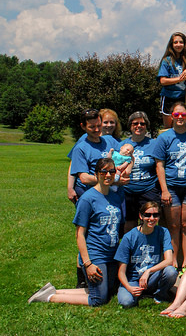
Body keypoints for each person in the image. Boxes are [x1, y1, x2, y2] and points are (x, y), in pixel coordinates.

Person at [29, 158, 125, 306]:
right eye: (103, 172)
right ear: (96, 174)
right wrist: (87, 263)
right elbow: (79, 234)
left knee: (110, 291)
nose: (108, 175)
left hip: (111, 255)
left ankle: (54, 291)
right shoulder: (87, 199)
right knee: (99, 299)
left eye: (111, 171)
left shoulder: (115, 197)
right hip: (95, 255)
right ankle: (49, 297)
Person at [152, 102, 186, 273]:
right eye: (176, 115)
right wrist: (164, 190)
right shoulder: (164, 137)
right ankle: (172, 261)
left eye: (183, 115)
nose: (180, 117)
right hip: (171, 186)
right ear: (171, 117)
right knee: (173, 226)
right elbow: (159, 166)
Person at [115, 201, 177, 307]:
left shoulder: (163, 232)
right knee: (127, 302)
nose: (152, 218)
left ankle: (160, 295)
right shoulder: (129, 237)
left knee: (171, 271)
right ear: (141, 216)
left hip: (152, 277)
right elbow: (121, 272)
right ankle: (137, 293)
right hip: (133, 279)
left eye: (155, 215)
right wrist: (129, 288)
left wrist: (148, 271)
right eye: (147, 215)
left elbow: (169, 260)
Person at [120, 111, 160, 232]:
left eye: (142, 123)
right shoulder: (122, 145)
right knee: (129, 222)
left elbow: (159, 166)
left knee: (149, 222)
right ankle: (131, 243)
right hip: (128, 190)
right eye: (135, 123)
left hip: (148, 189)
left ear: (146, 126)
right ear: (130, 126)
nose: (139, 126)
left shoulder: (154, 144)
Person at [69, 109, 121, 201]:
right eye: (92, 127)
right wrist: (113, 180)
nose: (97, 130)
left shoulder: (110, 141)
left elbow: (124, 158)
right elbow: (84, 178)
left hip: (111, 192)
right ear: (83, 126)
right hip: (90, 193)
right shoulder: (81, 148)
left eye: (99, 125)